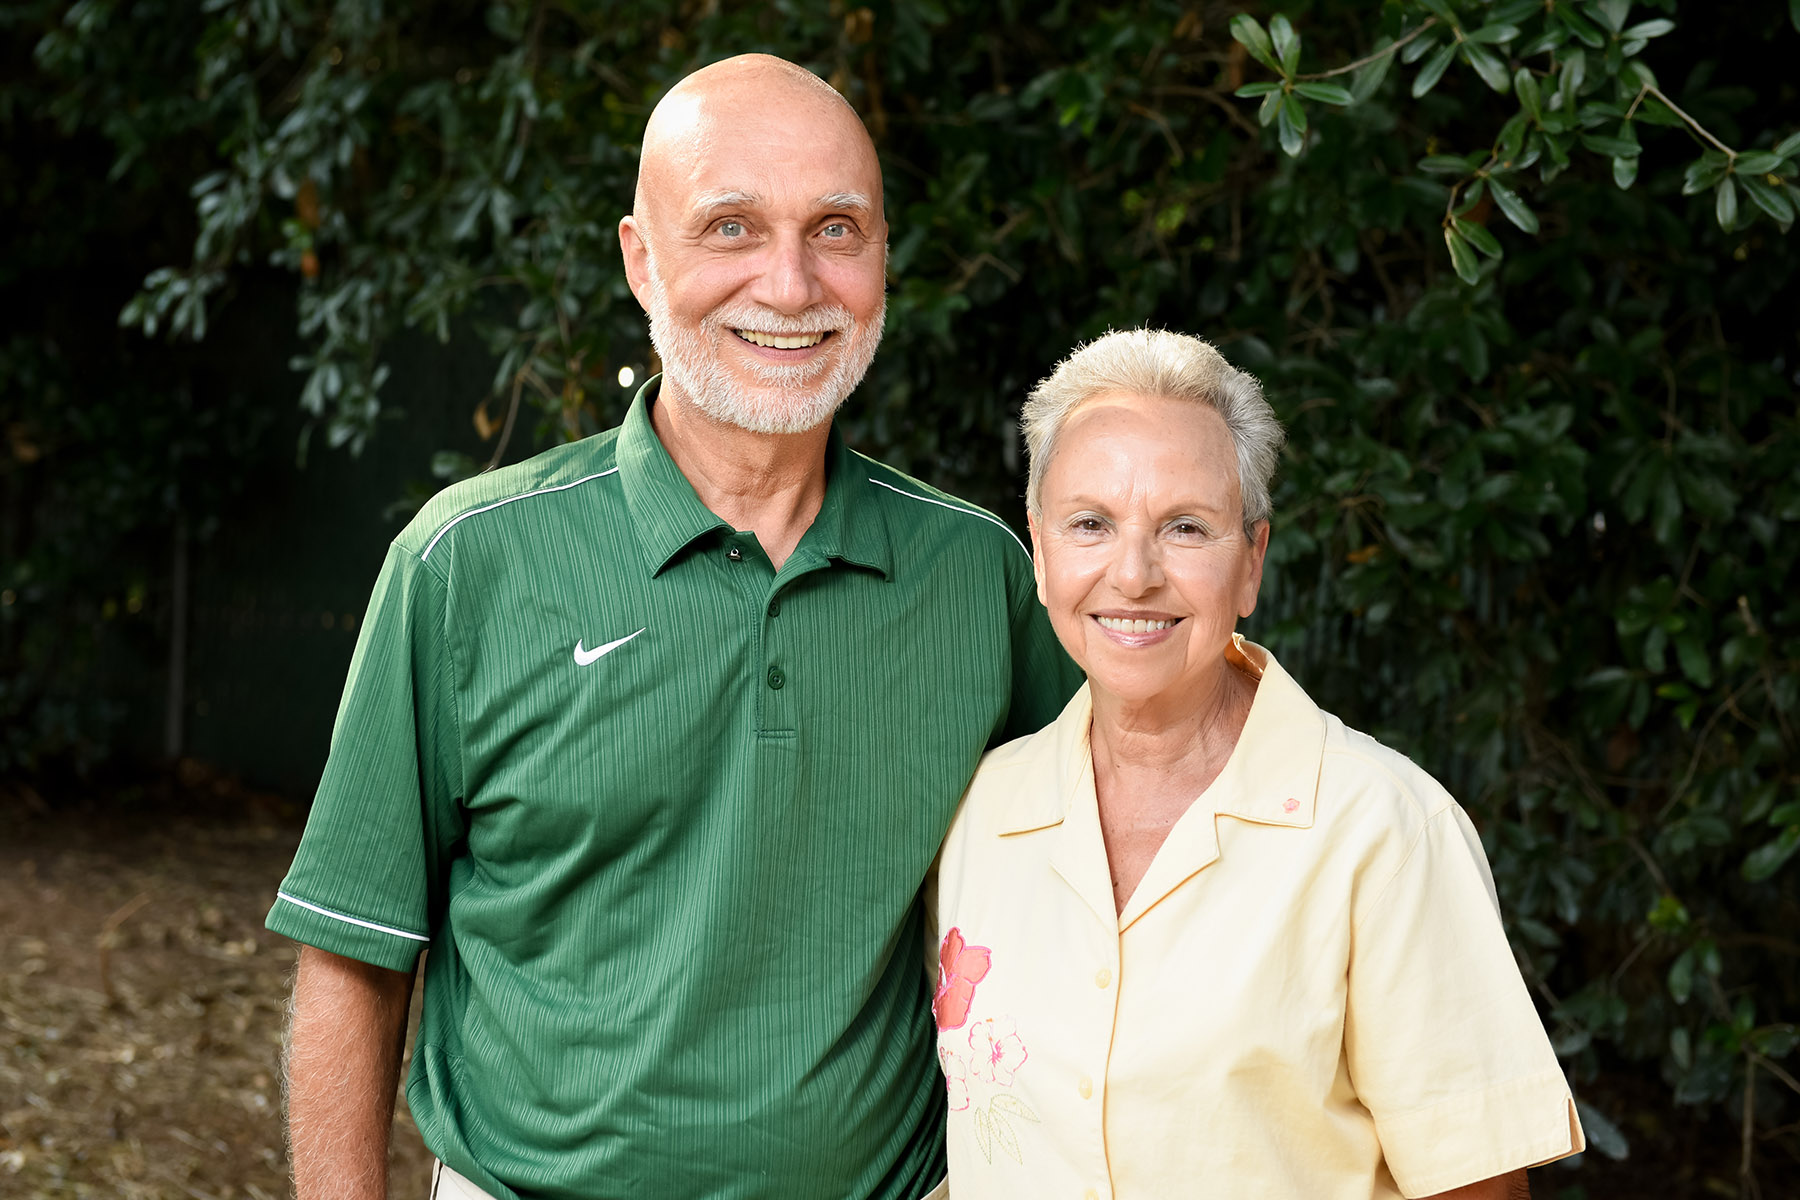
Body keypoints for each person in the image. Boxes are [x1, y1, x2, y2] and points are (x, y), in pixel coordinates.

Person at [267, 54, 1078, 1200]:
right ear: (642, 261)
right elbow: (354, 953)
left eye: (836, 229)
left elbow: (1098, 909)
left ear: (884, 256)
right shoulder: (470, 565)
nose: (792, 285)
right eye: (732, 227)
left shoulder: (978, 578)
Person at [929, 329, 1585, 1199]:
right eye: (1090, 524)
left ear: (1252, 565)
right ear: (1042, 556)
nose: (1133, 574)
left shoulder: (1384, 830)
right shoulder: (983, 812)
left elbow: (1478, 1188)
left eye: (1186, 528)